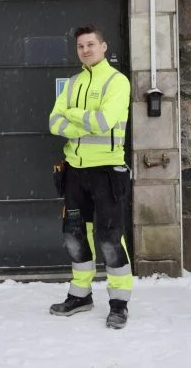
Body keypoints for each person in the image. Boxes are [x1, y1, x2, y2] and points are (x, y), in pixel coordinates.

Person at [47, 24, 133, 329]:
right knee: (74, 235)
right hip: (74, 171)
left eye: (91, 44)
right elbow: (54, 123)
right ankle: (80, 295)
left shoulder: (117, 82)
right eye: (81, 46)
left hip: (107, 171)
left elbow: (105, 121)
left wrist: (72, 116)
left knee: (110, 238)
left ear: (104, 46)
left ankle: (119, 303)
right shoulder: (72, 83)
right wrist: (79, 120)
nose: (86, 50)